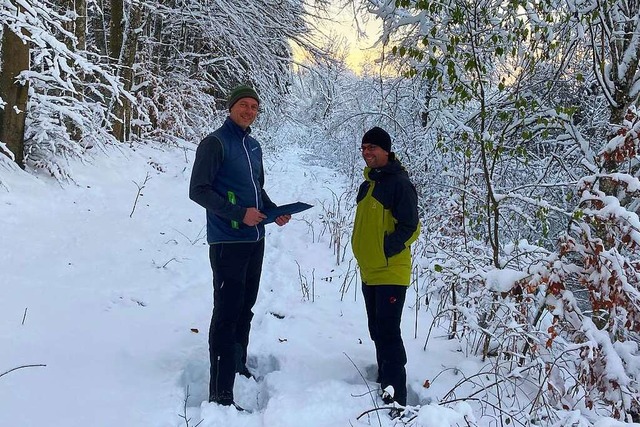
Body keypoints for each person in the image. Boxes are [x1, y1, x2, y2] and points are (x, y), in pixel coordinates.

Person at [189, 85, 290, 410]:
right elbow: (199, 190)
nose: (250, 111)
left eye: (255, 107)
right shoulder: (215, 143)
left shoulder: (254, 146)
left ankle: (237, 364)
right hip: (227, 241)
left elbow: (256, 190)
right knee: (226, 313)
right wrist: (239, 214)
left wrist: (273, 211)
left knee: (245, 308)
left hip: (254, 239)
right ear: (231, 107)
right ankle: (220, 393)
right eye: (244, 105)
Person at [351, 127, 420, 412]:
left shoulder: (399, 184)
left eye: (373, 148)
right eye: (364, 148)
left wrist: (385, 249)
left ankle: (397, 399)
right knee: (377, 329)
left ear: (386, 151)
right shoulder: (368, 184)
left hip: (390, 271)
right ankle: (384, 380)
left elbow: (411, 227)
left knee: (388, 332)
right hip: (370, 270)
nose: (368, 153)